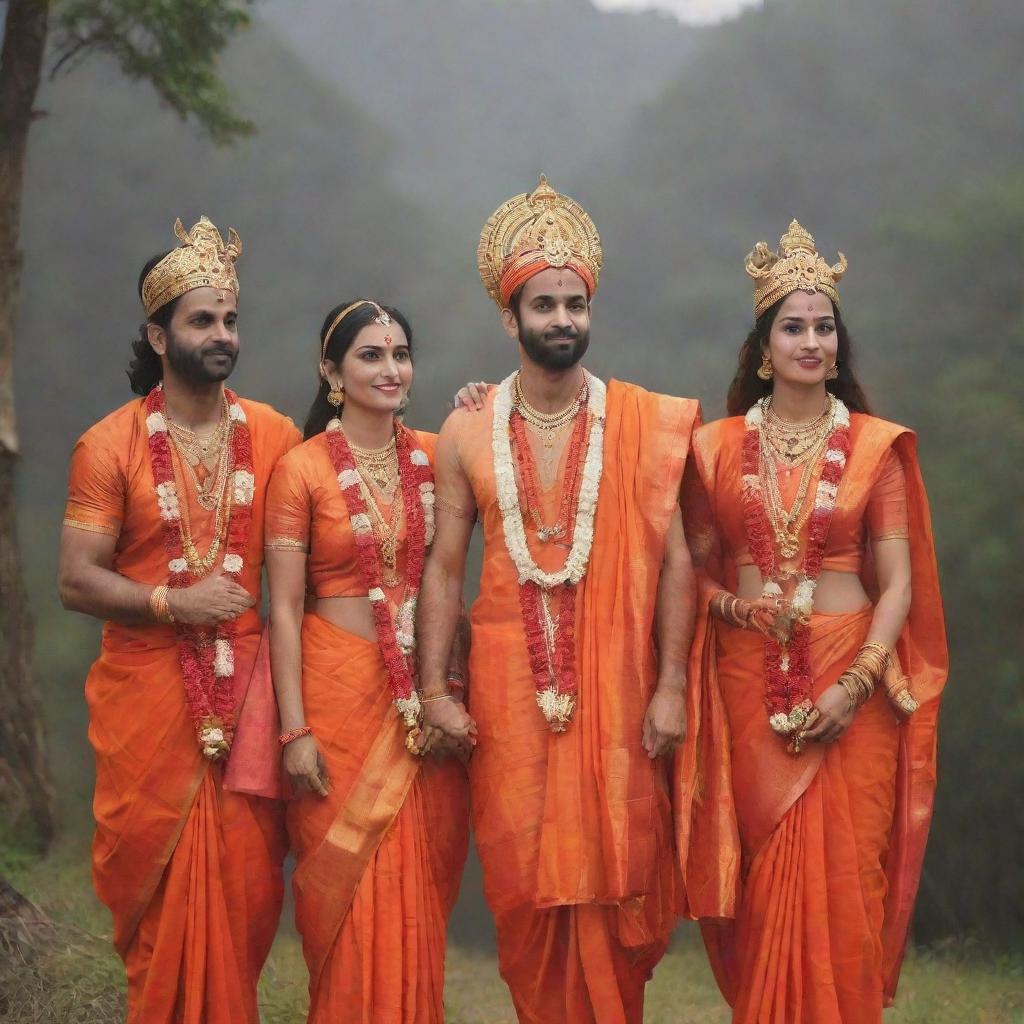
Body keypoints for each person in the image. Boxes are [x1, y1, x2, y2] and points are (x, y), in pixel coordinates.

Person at [417, 175, 701, 1023]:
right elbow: (442, 568)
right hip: (507, 687)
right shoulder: (467, 428)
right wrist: (435, 689)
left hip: (620, 684)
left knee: (625, 885)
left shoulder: (641, 422)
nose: (563, 319)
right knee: (519, 882)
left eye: (576, 303)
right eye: (544, 305)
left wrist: (673, 683)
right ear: (510, 318)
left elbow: (678, 562)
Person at [678, 221, 947, 1023]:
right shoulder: (714, 448)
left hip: (853, 682)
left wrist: (858, 681)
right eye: (792, 326)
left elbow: (895, 584)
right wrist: (736, 608)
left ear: (839, 343)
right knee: (763, 889)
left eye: (823, 326)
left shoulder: (877, 447)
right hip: (747, 681)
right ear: (764, 347)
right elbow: (687, 571)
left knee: (846, 882)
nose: (810, 340)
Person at [58, 217, 300, 1023]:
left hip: (249, 697)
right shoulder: (108, 444)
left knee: (244, 892)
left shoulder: (274, 435)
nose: (222, 334)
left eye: (230, 319)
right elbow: (75, 579)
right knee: (156, 897)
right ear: (158, 335)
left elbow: (361, 488)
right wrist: (172, 602)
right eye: (203, 320)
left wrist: (477, 408)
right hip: (146, 697)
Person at [264, 299, 470, 1023]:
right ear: (331, 372)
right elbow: (284, 609)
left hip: (423, 695)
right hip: (335, 694)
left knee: (416, 887)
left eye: (401, 354)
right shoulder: (301, 470)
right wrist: (293, 731)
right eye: (371, 356)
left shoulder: (440, 451)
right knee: (347, 891)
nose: (391, 369)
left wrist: (481, 406)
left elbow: (510, 450)